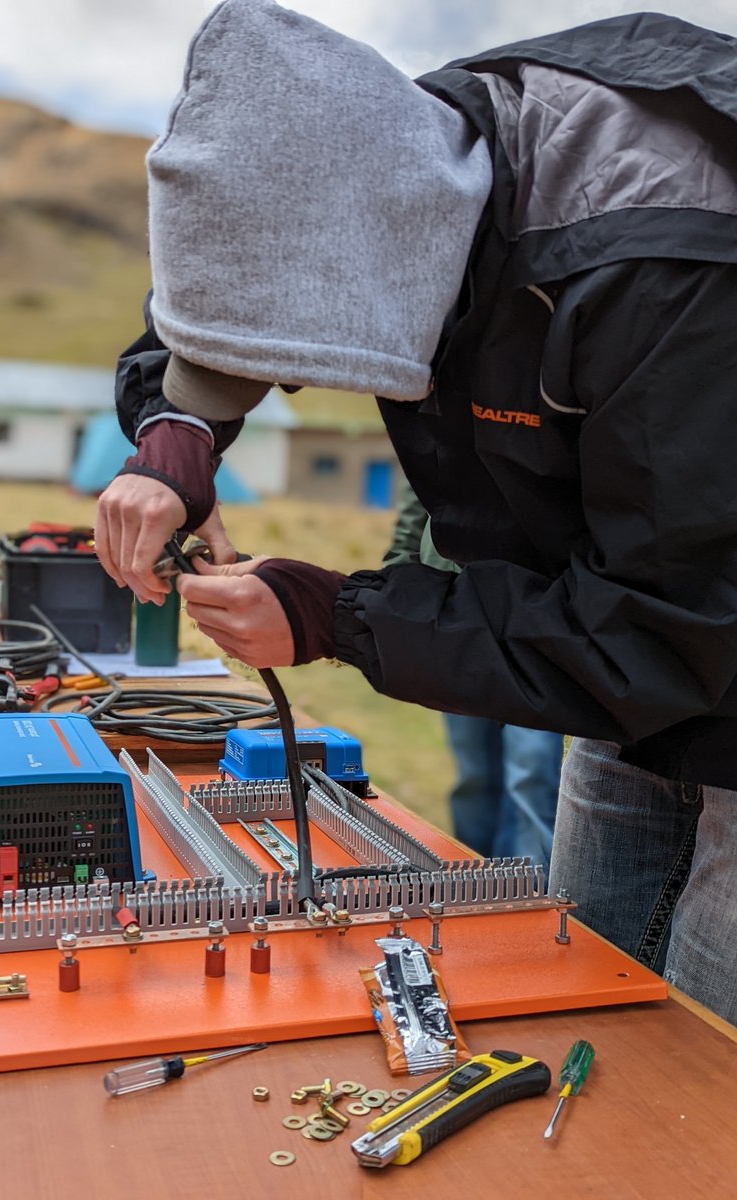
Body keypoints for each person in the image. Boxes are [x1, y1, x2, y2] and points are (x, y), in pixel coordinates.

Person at [95, 0, 737, 1024]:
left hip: (684, 626)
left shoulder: (662, 272)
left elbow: (669, 634)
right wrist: (177, 435)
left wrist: (339, 615)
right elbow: (232, 277)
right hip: (633, 630)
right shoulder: (398, 152)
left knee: (707, 1070)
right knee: (586, 997)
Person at [386, 480, 564, 865]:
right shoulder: (433, 422)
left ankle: (529, 893)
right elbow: (420, 495)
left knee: (532, 773)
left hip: (537, 614)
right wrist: (399, 582)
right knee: (475, 772)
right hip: (454, 606)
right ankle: (472, 877)